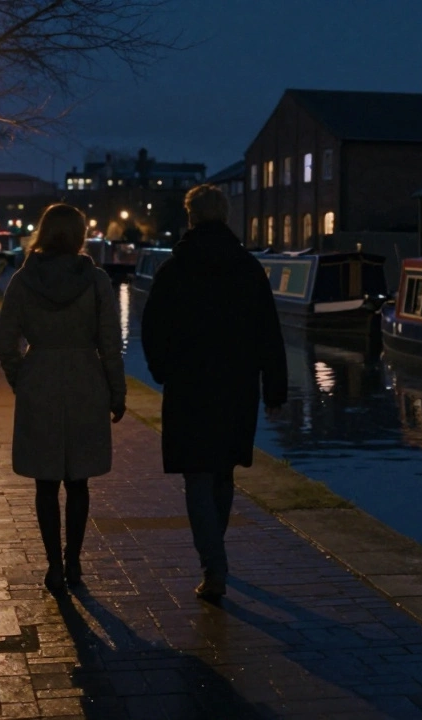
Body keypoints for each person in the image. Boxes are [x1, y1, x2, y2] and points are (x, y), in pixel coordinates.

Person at [141, 184, 287, 601]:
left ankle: (213, 564)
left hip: (189, 385)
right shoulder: (248, 267)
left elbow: (153, 327)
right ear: (225, 216)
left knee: (197, 474)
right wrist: (274, 389)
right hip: (236, 385)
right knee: (223, 471)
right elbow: (268, 333)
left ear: (190, 216)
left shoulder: (174, 268)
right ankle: (215, 557)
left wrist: (162, 369)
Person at [0, 204, 126, 594]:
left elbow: (5, 337)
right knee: (79, 481)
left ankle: (53, 564)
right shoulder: (97, 280)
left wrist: (22, 376)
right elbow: (109, 343)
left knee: (45, 483)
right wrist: (116, 391)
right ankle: (74, 562)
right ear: (80, 234)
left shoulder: (23, 279)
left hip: (41, 379)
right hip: (86, 378)